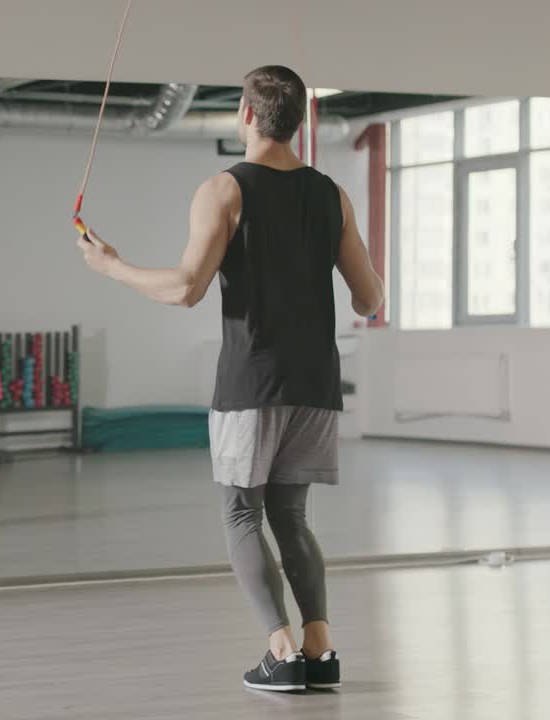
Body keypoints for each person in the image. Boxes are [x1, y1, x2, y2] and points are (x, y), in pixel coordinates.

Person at [74, 65, 384, 692]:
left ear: (246, 113)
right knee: (292, 518)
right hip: (316, 383)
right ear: (298, 121)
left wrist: (112, 268)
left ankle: (281, 654)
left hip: (253, 382)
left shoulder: (223, 190)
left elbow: (186, 289)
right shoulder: (333, 195)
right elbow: (368, 297)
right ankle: (320, 651)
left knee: (241, 515)